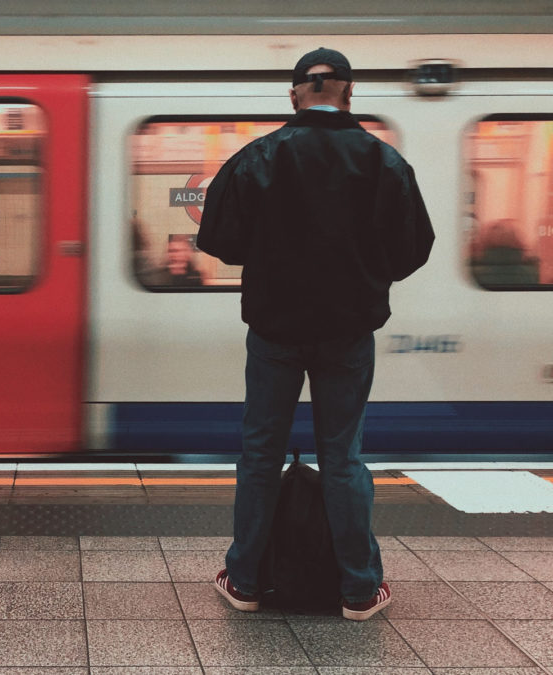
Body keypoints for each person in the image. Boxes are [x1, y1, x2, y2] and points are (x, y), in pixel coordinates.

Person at [197, 47, 434, 621]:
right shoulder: (385, 162)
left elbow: (218, 240)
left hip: (275, 332)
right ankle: (358, 589)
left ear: (295, 93)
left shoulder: (258, 157)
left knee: (259, 454)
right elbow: (415, 248)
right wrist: (365, 274)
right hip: (348, 336)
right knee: (342, 458)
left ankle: (246, 580)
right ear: (350, 94)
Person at [139, 234, 204, 288]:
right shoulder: (159, 276)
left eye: (177, 251)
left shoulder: (195, 276)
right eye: (170, 251)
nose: (173, 255)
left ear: (187, 253)